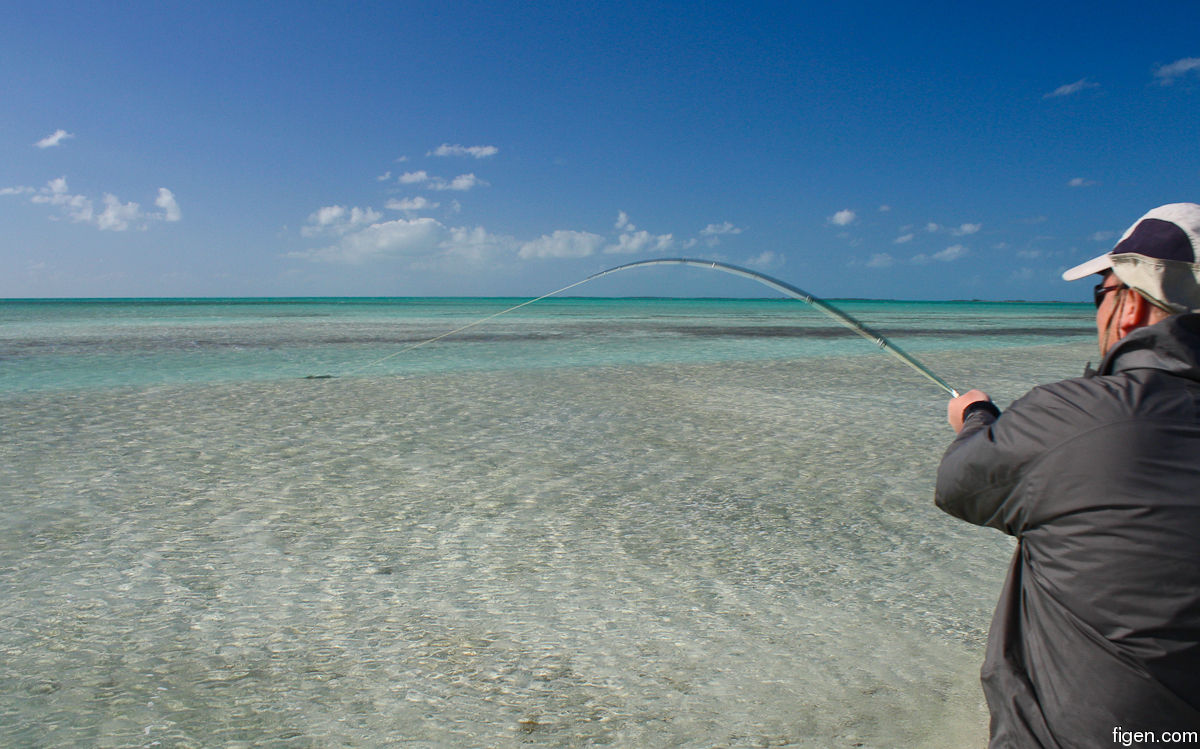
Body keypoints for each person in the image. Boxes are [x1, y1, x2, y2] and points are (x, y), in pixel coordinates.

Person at [936, 203, 1200, 747]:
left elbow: (960, 483)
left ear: (1128, 306)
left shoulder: (1073, 416)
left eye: (1100, 293)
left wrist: (976, 417)